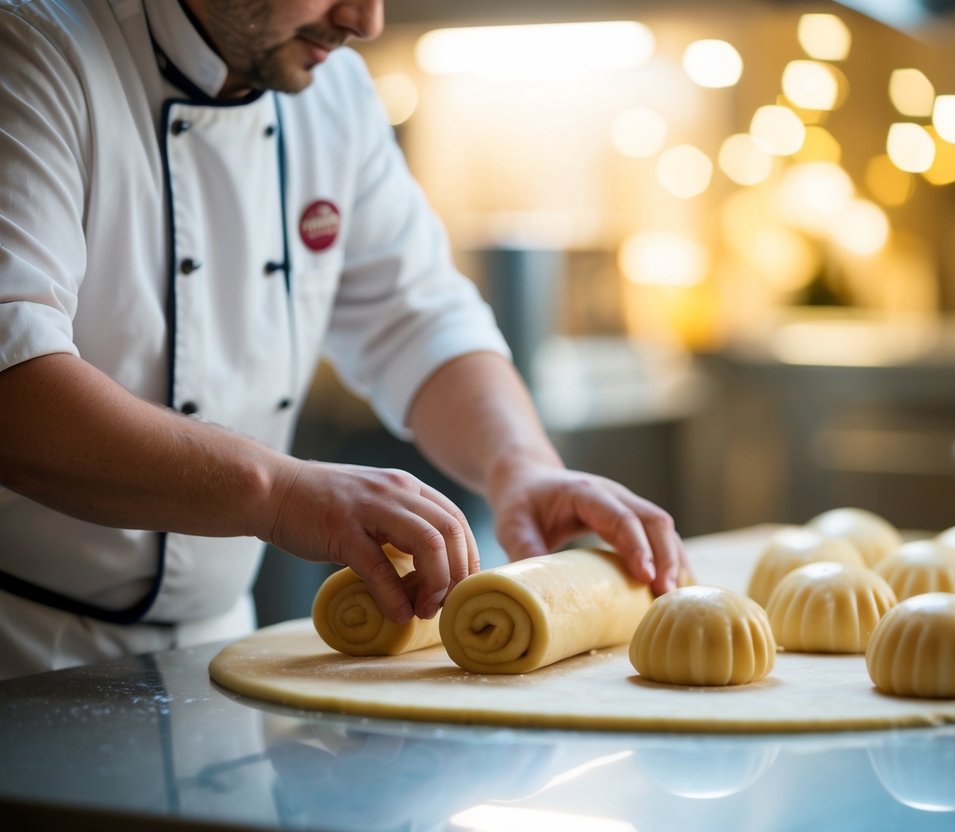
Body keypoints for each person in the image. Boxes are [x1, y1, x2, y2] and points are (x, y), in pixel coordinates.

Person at [0, 0, 688, 680]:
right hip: (23, 645)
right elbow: (14, 389)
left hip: (209, 646)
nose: (365, 21)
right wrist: (280, 493)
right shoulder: (32, 46)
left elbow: (415, 318)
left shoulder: (334, 90)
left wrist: (521, 466)